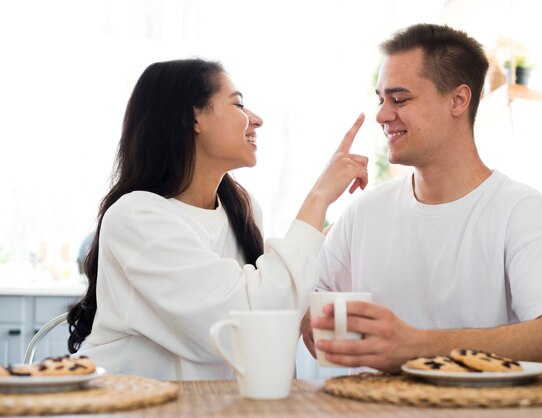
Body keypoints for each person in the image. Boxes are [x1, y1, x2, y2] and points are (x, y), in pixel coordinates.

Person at [302, 23, 542, 373]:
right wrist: (312, 315)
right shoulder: (362, 213)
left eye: (399, 99)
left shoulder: (520, 211)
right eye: (381, 99)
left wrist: (416, 346)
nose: (381, 115)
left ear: (458, 100)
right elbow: (310, 317)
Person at [67, 59, 368, 380]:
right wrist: (318, 197)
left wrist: (303, 309)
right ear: (192, 117)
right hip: (133, 404)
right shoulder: (136, 216)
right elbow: (234, 327)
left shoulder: (242, 208)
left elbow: (263, 302)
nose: (257, 120)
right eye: (238, 104)